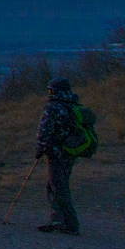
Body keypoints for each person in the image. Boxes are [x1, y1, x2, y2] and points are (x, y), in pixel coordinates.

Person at [35, 77, 89, 235]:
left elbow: (44, 130)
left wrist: (40, 149)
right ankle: (57, 220)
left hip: (56, 152)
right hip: (70, 153)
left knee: (59, 187)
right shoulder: (73, 104)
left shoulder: (53, 107)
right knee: (56, 185)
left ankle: (71, 224)